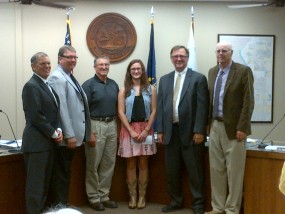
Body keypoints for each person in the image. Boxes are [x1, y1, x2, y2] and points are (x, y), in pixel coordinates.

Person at [157, 45, 209, 214]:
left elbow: (203, 107)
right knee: (172, 171)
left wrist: (200, 130)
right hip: (171, 132)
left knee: (195, 172)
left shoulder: (198, 78)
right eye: (175, 56)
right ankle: (175, 201)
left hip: (191, 133)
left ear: (187, 57)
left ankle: (198, 204)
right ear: (171, 58)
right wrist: (160, 130)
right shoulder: (164, 80)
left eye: (182, 56)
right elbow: (161, 106)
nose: (178, 59)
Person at [206, 41, 254, 214]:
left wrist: (243, 127)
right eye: (218, 51)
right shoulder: (212, 72)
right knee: (216, 169)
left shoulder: (242, 71)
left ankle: (232, 209)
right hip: (214, 126)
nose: (220, 54)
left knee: (234, 172)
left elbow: (248, 102)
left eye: (224, 51)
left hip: (234, 129)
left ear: (231, 53)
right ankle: (217, 207)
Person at [48, 45, 95, 206]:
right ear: (60, 59)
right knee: (61, 174)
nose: (73, 60)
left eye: (75, 57)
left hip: (73, 136)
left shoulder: (68, 75)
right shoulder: (57, 77)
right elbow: (61, 108)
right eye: (69, 57)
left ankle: (63, 205)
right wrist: (69, 134)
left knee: (66, 173)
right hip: (65, 138)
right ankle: (60, 207)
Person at [22, 52, 63, 214]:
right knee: (36, 188)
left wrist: (58, 128)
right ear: (33, 67)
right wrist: (53, 133)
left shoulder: (47, 85)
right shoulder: (31, 86)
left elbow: (55, 112)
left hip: (48, 143)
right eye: (42, 64)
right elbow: (36, 116)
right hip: (37, 144)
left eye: (48, 63)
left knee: (45, 185)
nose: (47, 66)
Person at [117, 59, 157, 209]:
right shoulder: (123, 90)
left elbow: (154, 110)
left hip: (145, 129)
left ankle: (142, 197)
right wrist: (131, 130)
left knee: (143, 163)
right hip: (129, 130)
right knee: (131, 163)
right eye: (133, 69)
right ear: (129, 71)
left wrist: (146, 130)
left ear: (142, 71)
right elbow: (120, 112)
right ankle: (133, 197)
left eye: (138, 69)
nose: (136, 71)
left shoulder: (151, 89)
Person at [82, 56, 119, 211]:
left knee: (109, 163)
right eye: (101, 64)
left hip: (112, 125)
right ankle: (94, 197)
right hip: (95, 125)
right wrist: (88, 132)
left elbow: (119, 107)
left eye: (106, 64)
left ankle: (104, 195)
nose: (104, 67)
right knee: (93, 164)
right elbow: (83, 110)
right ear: (95, 67)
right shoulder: (88, 85)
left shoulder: (113, 84)